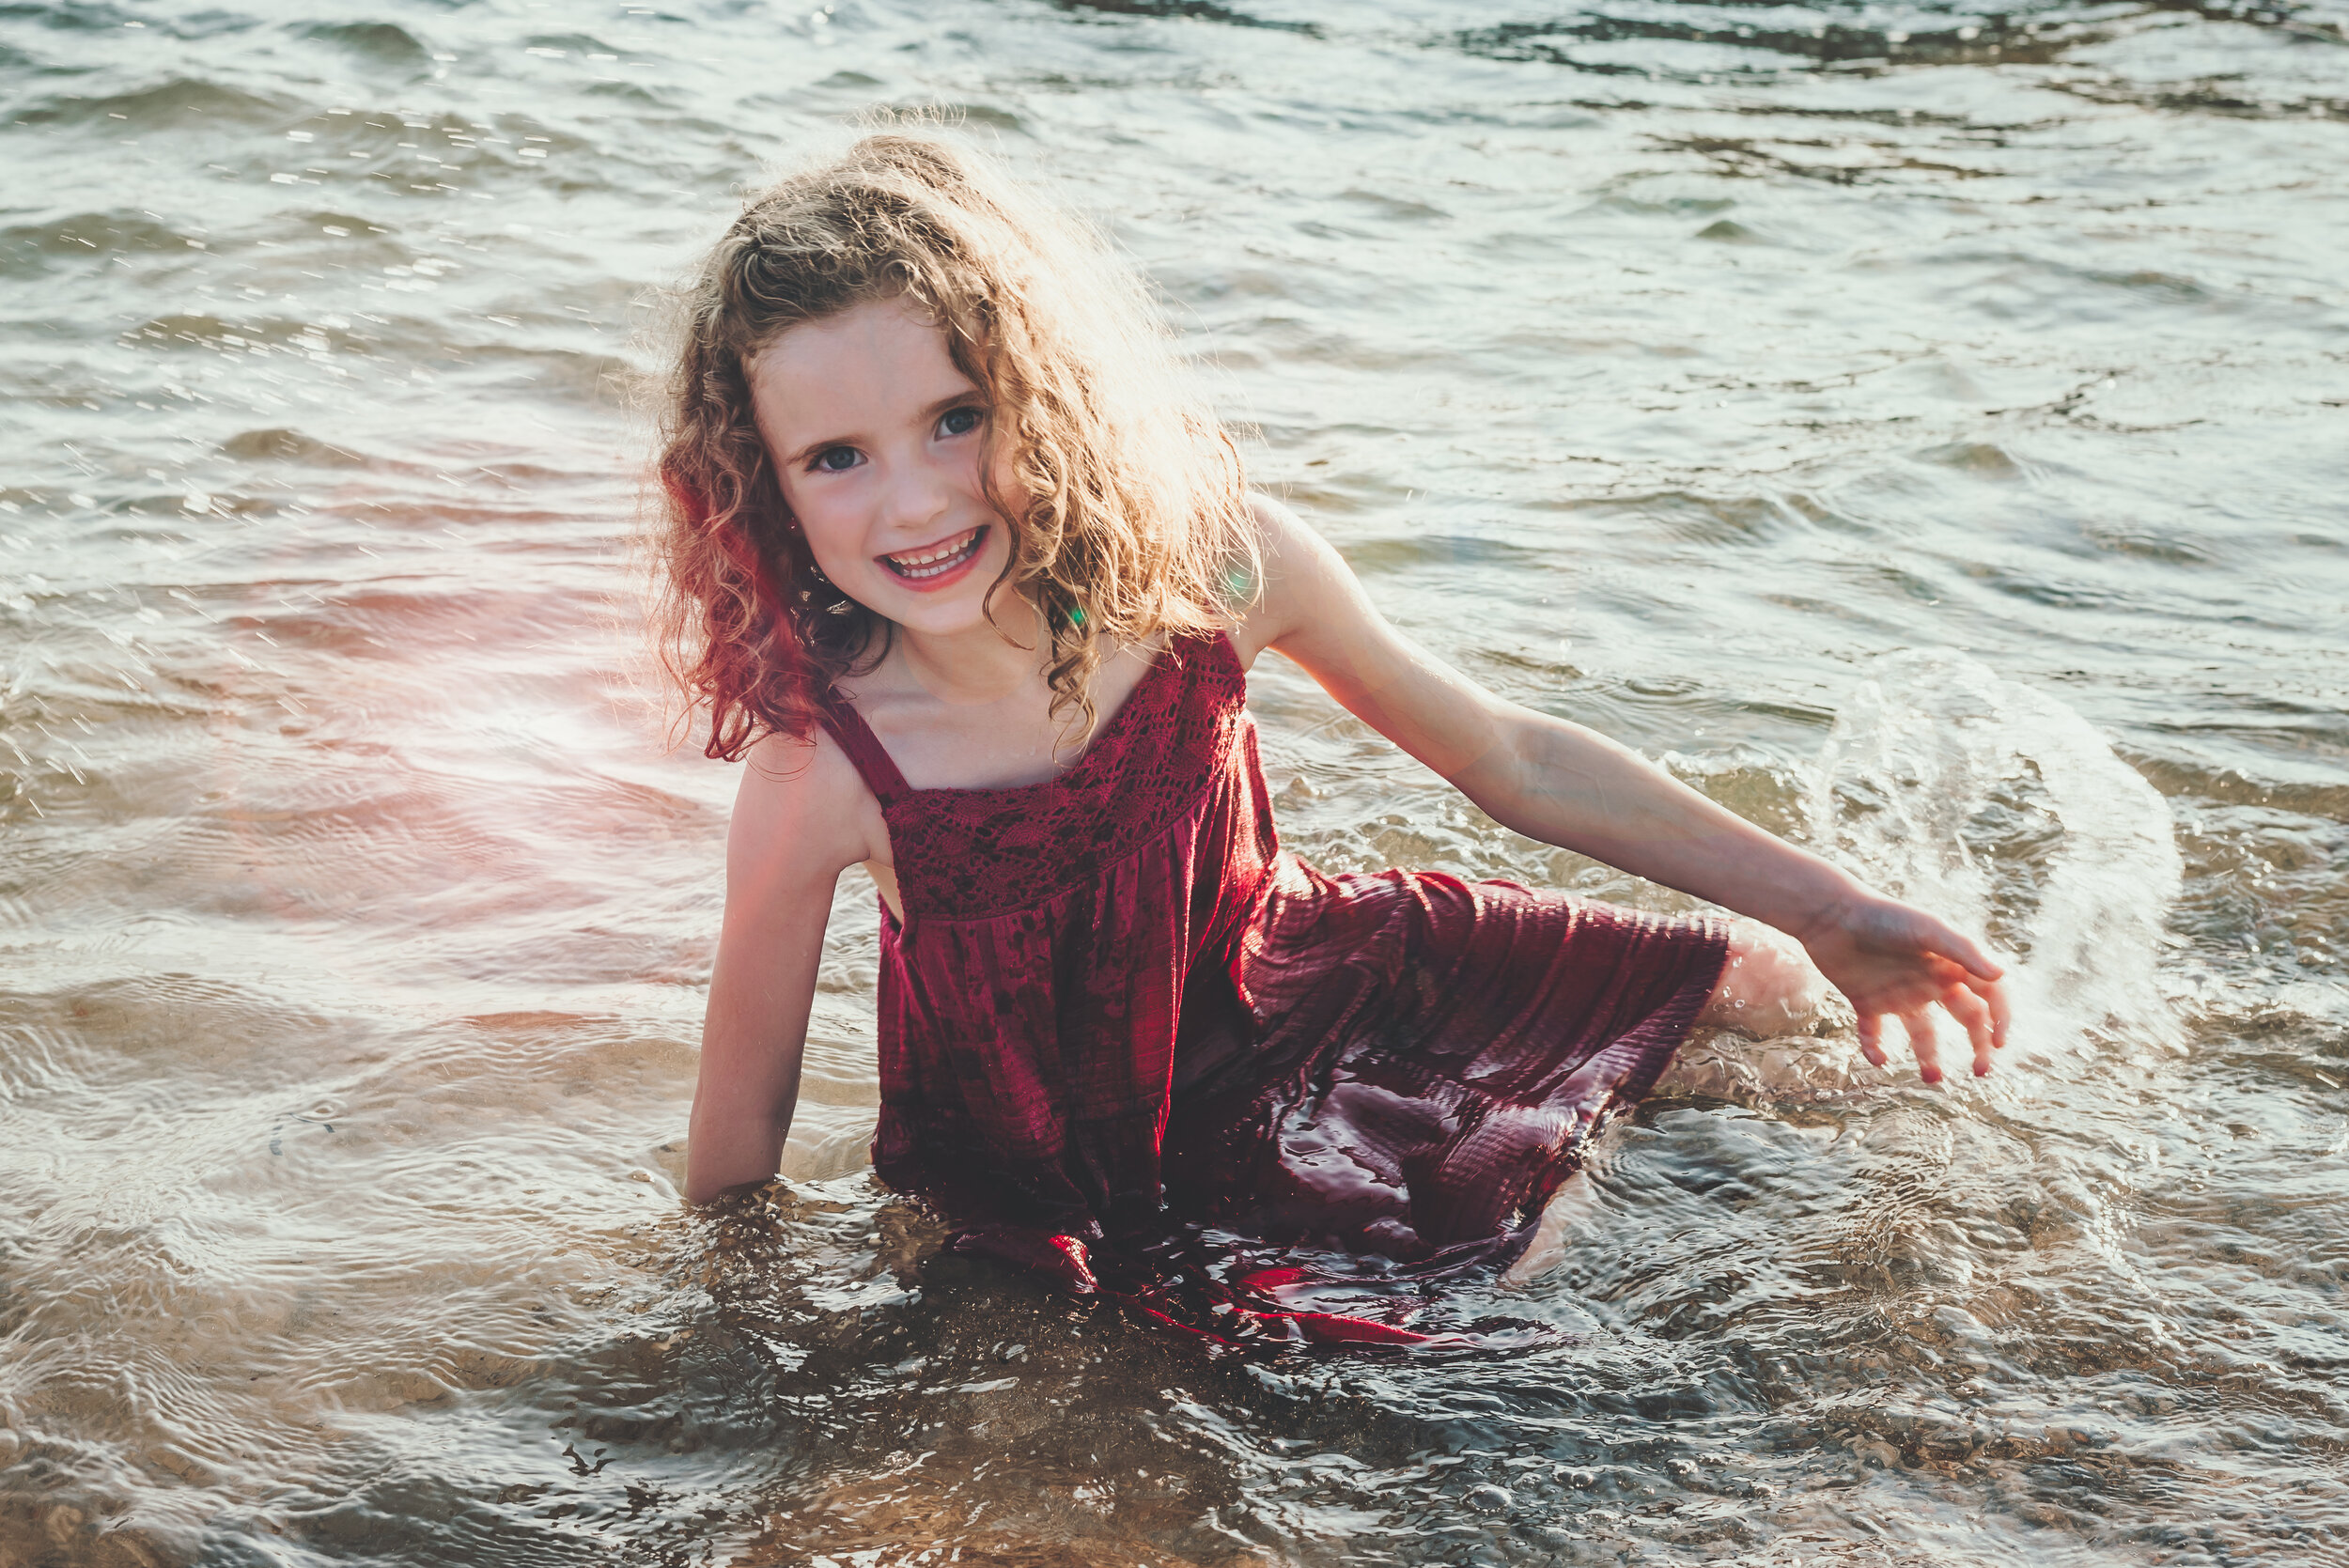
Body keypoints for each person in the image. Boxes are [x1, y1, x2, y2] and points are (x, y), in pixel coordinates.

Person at [652, 133, 2007, 1345]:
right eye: (838, 456)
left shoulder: (1213, 572)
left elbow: (1510, 760)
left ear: (1044, 393)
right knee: (1505, 1286)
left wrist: (1832, 905)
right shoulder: (824, 769)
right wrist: (780, 1379)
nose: (918, 498)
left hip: (1325, 988)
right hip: (1117, 1174)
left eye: (960, 417)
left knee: (1770, 989)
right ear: (758, 484)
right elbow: (731, 1163)